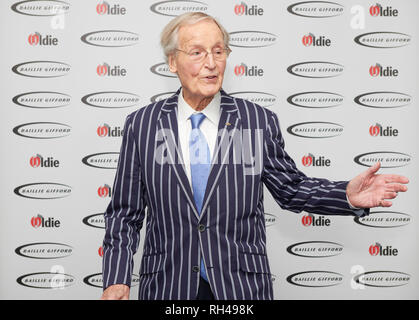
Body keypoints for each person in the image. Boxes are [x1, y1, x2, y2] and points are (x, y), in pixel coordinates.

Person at [100, 12, 409, 300]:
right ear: (172, 61)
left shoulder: (256, 121)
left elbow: (292, 189)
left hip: (241, 287)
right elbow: (124, 214)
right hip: (168, 286)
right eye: (197, 52)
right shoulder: (142, 124)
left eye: (219, 51)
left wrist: (346, 195)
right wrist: (116, 279)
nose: (211, 63)